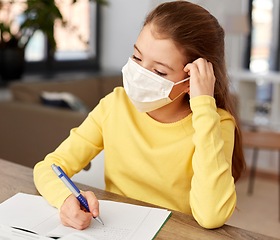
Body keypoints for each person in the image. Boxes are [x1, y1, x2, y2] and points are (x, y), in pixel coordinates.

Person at [34, 0, 246, 230]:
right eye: (136, 57)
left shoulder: (216, 123)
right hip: (112, 230)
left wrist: (204, 107)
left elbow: (211, 216)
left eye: (159, 71)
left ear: (191, 80)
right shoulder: (115, 104)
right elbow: (50, 167)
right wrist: (65, 199)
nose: (139, 74)